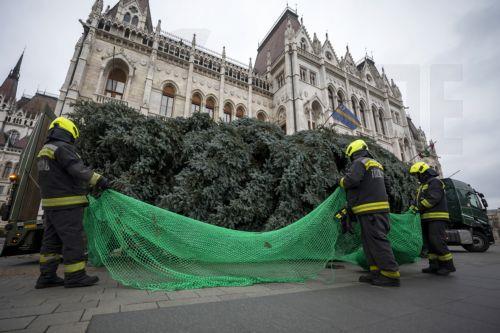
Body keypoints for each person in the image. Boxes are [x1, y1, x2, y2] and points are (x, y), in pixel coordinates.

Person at [35, 117, 110, 289]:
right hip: (67, 204)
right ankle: (75, 276)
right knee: (73, 239)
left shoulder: (45, 150)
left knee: (51, 241)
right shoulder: (63, 148)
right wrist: (99, 180)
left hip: (50, 204)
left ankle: (46, 276)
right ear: (69, 133)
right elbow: (77, 169)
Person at [339, 139, 400, 287]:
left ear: (353, 153)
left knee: (377, 241)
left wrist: (341, 181)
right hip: (377, 209)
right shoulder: (376, 164)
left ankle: (390, 274)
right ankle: (376, 272)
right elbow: (387, 185)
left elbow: (352, 180)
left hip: (370, 210)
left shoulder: (360, 163)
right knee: (369, 242)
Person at [409, 162, 456, 276]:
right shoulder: (423, 185)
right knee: (430, 243)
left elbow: (433, 199)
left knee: (437, 241)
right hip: (427, 218)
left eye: (417, 174)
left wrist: (418, 207)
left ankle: (447, 266)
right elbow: (419, 200)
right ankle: (434, 265)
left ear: (423, 173)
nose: (417, 177)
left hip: (437, 217)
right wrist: (413, 207)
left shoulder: (435, 182)